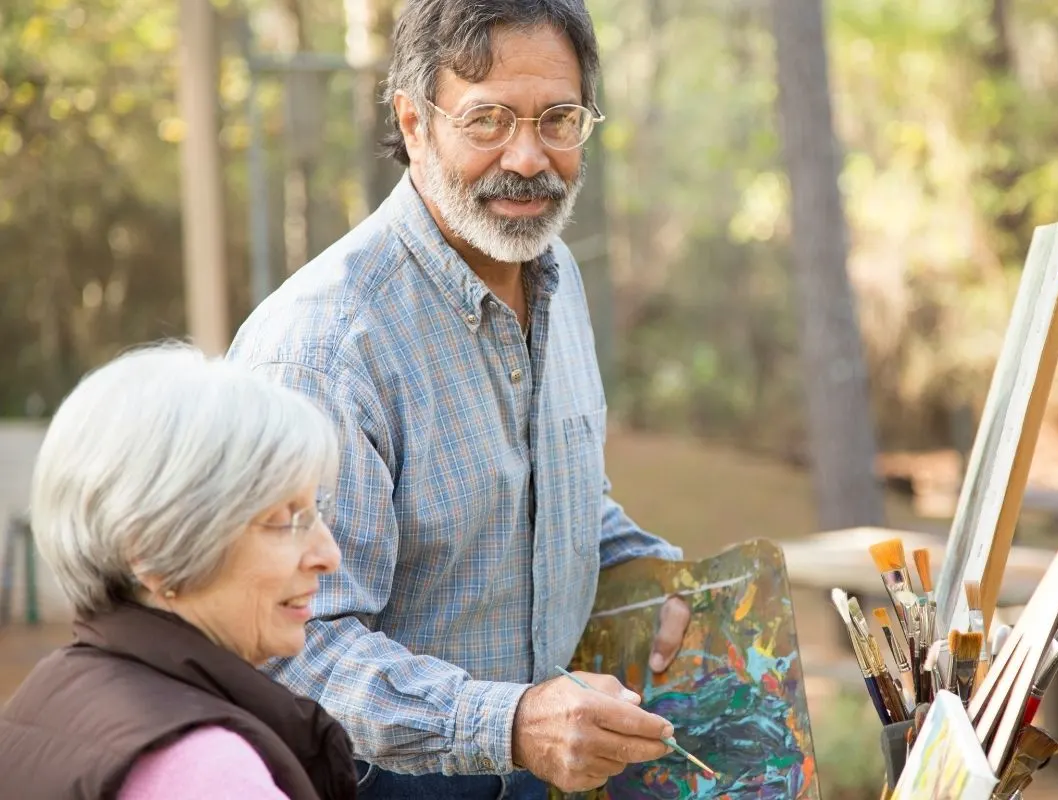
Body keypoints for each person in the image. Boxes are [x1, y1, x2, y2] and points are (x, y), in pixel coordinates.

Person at [224, 0, 693, 796]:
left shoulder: (558, 278)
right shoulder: (325, 349)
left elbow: (551, 497)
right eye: (487, 121)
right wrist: (509, 725)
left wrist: (648, 565)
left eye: (558, 119)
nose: (528, 157)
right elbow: (294, 646)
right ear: (414, 121)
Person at [0, 343, 357, 800]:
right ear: (152, 548)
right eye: (283, 518)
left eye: (316, 509)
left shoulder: (53, 692)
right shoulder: (206, 772)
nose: (328, 554)